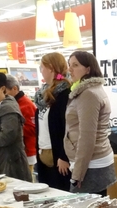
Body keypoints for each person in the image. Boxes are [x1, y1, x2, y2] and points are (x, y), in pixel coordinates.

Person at [65, 51, 117, 195]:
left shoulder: (88, 94)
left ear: (88, 69)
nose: (70, 69)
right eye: (69, 65)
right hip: (93, 160)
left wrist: (78, 174)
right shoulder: (91, 90)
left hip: (91, 163)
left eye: (75, 65)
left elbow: (87, 137)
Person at [34, 52, 72, 191]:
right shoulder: (43, 94)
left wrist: (64, 156)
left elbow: (69, 128)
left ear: (50, 68)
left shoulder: (64, 93)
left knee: (61, 193)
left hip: (58, 155)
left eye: (42, 67)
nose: (41, 71)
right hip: (43, 151)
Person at [5, 75, 37, 175]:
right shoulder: (10, 104)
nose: (3, 95)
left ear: (14, 88)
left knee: (26, 181)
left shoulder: (26, 105)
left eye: (5, 91)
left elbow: (33, 129)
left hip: (26, 151)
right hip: (14, 151)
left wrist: (12, 129)